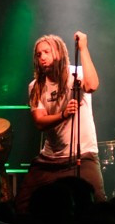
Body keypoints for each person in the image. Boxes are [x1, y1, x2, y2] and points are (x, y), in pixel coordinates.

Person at [15, 31, 105, 214]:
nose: (42, 57)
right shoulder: (36, 86)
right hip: (50, 159)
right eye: (39, 54)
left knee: (98, 205)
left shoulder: (77, 73)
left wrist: (83, 48)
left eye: (46, 52)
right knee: (22, 205)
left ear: (59, 52)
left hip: (83, 154)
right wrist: (63, 114)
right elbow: (39, 122)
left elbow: (92, 85)